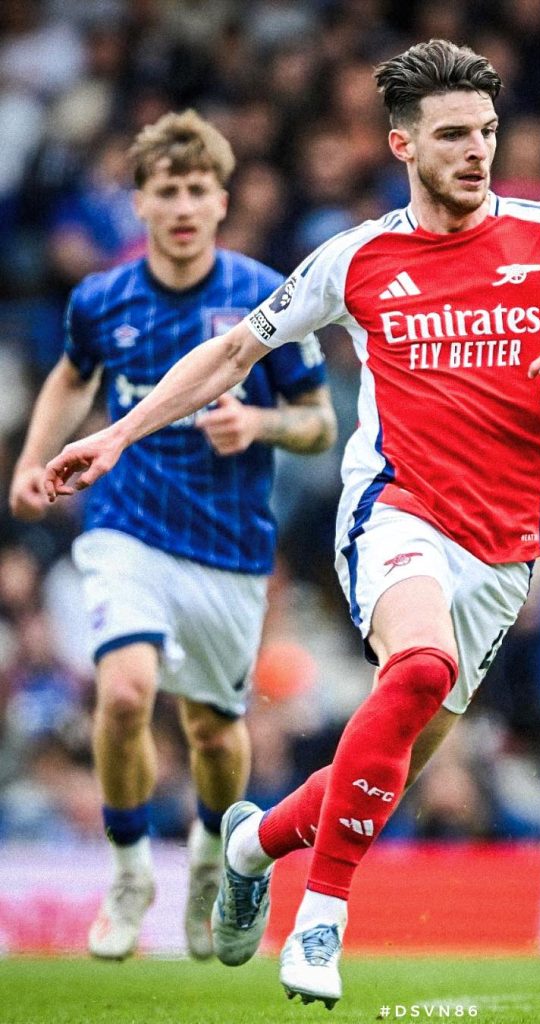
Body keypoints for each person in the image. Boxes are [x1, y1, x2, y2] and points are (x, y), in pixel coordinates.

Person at [43, 41, 540, 1006]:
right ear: (401, 144)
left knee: (381, 767)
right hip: (396, 510)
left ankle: (252, 846)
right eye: (452, 135)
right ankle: (320, 920)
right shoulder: (356, 257)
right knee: (416, 670)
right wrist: (118, 433)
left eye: (486, 132)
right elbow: (233, 352)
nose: (476, 151)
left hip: (504, 548)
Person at [9, 109, 337, 962]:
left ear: (222, 200)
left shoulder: (267, 295)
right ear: (141, 203)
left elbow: (318, 423)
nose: (184, 206)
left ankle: (207, 860)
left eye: (198, 190)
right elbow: (70, 377)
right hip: (126, 526)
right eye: (167, 191)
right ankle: (127, 871)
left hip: (228, 545)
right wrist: (34, 459)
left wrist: (258, 423)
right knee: (123, 694)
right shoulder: (102, 298)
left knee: (214, 732)